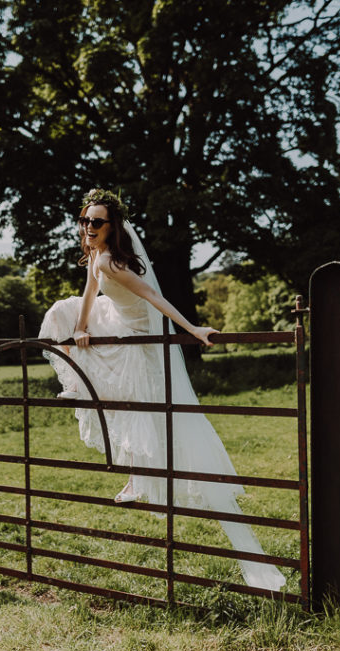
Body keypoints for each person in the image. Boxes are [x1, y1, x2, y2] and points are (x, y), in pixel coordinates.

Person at [39, 189, 285, 591]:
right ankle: (83, 385)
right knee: (63, 316)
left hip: (136, 335)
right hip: (112, 320)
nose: (88, 227)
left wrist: (193, 329)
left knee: (140, 408)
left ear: (111, 227)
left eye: (96, 222)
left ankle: (136, 470)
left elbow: (154, 297)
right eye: (84, 220)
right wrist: (81, 328)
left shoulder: (114, 262)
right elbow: (87, 294)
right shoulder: (94, 255)